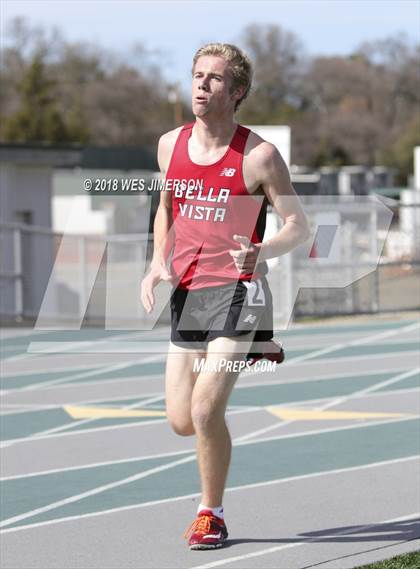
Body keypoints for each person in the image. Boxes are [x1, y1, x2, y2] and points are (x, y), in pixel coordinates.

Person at [141, 43, 310, 550]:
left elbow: (298, 226)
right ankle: (248, 358)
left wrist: (262, 250)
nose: (201, 85)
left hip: (239, 294)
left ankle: (209, 514)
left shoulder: (259, 156)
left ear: (236, 92)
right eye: (196, 75)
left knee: (204, 413)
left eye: (214, 79)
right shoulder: (170, 144)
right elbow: (166, 209)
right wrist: (156, 263)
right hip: (189, 292)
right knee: (179, 420)